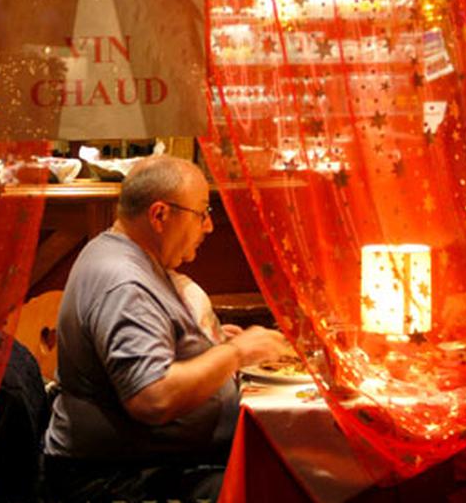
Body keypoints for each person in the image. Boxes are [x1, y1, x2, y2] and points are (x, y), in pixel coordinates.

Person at [43, 155, 289, 502]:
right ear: (160, 215)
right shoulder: (124, 283)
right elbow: (152, 398)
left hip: (157, 464)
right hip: (118, 480)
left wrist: (211, 350)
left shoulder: (119, 252)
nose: (209, 226)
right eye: (202, 212)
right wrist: (235, 354)